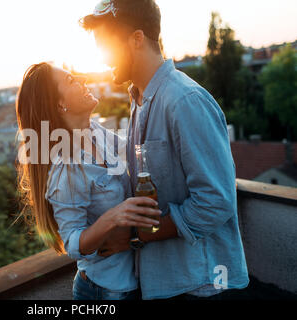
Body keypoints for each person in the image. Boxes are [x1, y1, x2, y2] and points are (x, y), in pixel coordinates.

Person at [80, 0, 249, 300]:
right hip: (169, 284)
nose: (103, 57)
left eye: (107, 44)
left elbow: (216, 202)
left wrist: (133, 236)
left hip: (203, 287)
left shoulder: (184, 101)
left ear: (136, 38)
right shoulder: (139, 99)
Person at [15, 62, 161, 300]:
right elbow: (73, 244)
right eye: (72, 80)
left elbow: (137, 151)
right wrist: (112, 217)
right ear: (60, 104)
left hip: (135, 282)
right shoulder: (66, 167)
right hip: (107, 291)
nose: (83, 80)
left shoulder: (95, 132)